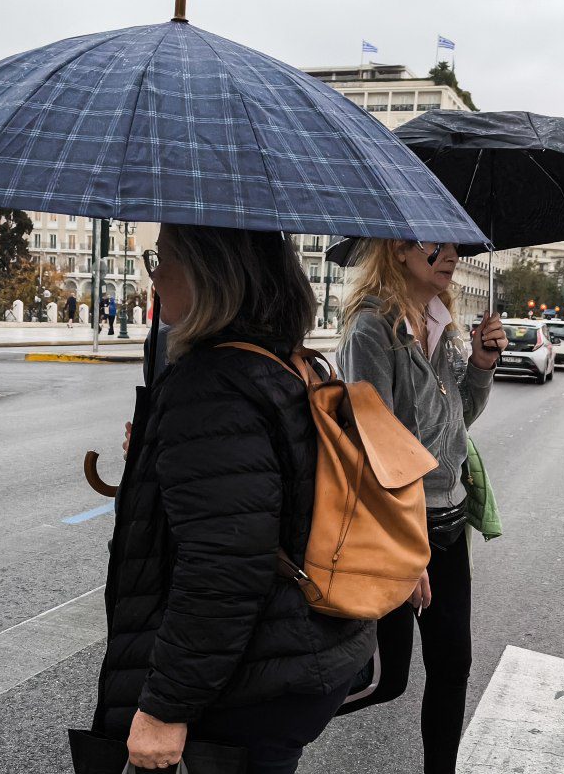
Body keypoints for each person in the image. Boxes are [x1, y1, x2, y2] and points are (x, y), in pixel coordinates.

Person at [94, 225, 374, 772]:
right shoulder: (290, 361)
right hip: (304, 652)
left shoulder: (214, 384)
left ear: (207, 272)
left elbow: (222, 567)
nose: (153, 274)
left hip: (248, 679)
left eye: (162, 258)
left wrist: (164, 710)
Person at [335, 239, 506, 774]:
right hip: (402, 529)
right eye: (438, 241)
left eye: (456, 242)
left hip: (450, 528)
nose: (452, 252)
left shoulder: (440, 324)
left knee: (453, 667)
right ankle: (256, 740)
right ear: (401, 248)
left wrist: (479, 365)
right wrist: (407, 555)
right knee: (386, 680)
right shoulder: (373, 330)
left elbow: (455, 426)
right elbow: (373, 447)